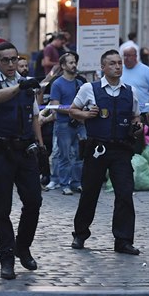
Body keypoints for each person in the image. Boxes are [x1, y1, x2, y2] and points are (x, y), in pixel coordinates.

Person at [0, 41, 44, 280]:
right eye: (5, 60)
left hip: (25, 151)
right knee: (2, 208)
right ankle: (6, 256)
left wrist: (41, 145)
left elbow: (34, 116)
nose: (10, 64)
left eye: (13, 59)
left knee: (34, 202)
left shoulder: (26, 86)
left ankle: (22, 246)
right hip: (0, 153)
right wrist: (19, 87)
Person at [69, 49, 142, 255]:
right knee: (90, 192)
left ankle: (123, 240)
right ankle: (80, 233)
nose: (117, 67)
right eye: (112, 63)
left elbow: (137, 116)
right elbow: (72, 110)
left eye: (119, 63)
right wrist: (85, 114)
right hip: (97, 148)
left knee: (125, 194)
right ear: (103, 67)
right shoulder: (89, 89)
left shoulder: (130, 91)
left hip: (121, 148)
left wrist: (137, 126)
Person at [49, 52, 86, 195]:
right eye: (70, 63)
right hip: (64, 124)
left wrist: (80, 113)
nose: (74, 65)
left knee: (79, 155)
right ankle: (64, 184)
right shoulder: (57, 84)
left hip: (79, 124)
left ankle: (77, 182)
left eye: (75, 62)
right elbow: (56, 106)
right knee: (64, 155)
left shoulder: (80, 83)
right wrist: (74, 111)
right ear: (63, 66)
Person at [121, 45, 149, 115]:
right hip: (124, 112)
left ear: (135, 56)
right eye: (124, 55)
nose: (126, 58)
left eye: (129, 55)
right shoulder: (119, 70)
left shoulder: (146, 70)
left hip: (144, 112)